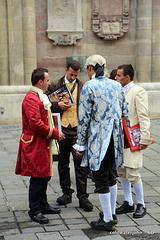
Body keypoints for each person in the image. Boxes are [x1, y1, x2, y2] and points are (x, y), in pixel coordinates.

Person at [73, 55, 129, 231]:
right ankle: (110, 214)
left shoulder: (89, 86)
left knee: (100, 180)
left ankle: (107, 220)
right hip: (115, 137)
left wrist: (80, 144)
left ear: (90, 68)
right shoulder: (116, 85)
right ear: (104, 67)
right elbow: (125, 113)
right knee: (111, 176)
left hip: (99, 139)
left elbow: (83, 119)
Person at [15, 67, 65, 224]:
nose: (50, 83)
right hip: (35, 144)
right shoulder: (31, 99)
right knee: (37, 177)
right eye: (48, 80)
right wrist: (55, 133)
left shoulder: (40, 96)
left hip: (43, 143)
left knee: (45, 175)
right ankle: (34, 210)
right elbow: (36, 125)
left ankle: (43, 205)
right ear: (40, 82)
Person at [50, 60, 93, 211]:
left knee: (80, 164)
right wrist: (57, 105)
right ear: (66, 70)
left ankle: (83, 197)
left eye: (75, 75)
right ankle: (66, 192)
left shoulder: (83, 86)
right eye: (71, 74)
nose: (73, 77)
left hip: (77, 130)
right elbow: (45, 103)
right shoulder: (55, 84)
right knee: (62, 164)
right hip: (62, 130)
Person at [115, 64, 153, 218]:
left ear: (127, 77)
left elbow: (143, 115)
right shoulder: (118, 90)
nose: (116, 78)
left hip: (132, 137)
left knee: (133, 172)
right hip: (119, 137)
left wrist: (145, 138)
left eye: (118, 75)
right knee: (122, 171)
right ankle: (128, 202)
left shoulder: (138, 91)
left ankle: (141, 204)